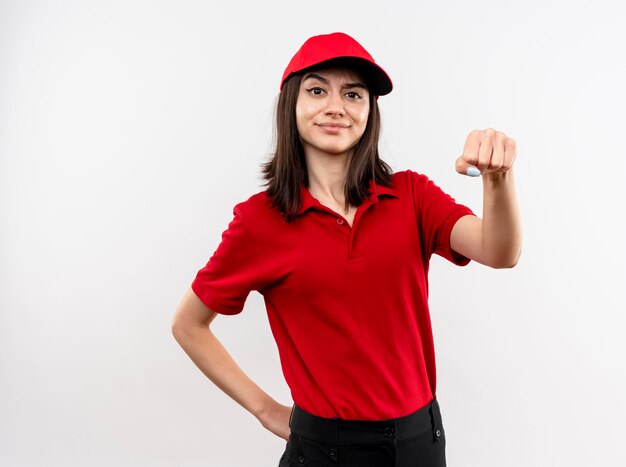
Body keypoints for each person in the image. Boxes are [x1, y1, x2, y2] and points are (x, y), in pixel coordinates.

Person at [171, 32, 521, 467]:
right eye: (317, 90)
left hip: (420, 442)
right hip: (325, 449)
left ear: (369, 112)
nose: (335, 106)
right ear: (291, 106)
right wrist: (266, 412)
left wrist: (497, 178)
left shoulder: (412, 195)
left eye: (352, 94)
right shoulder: (260, 221)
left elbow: (499, 251)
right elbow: (189, 325)